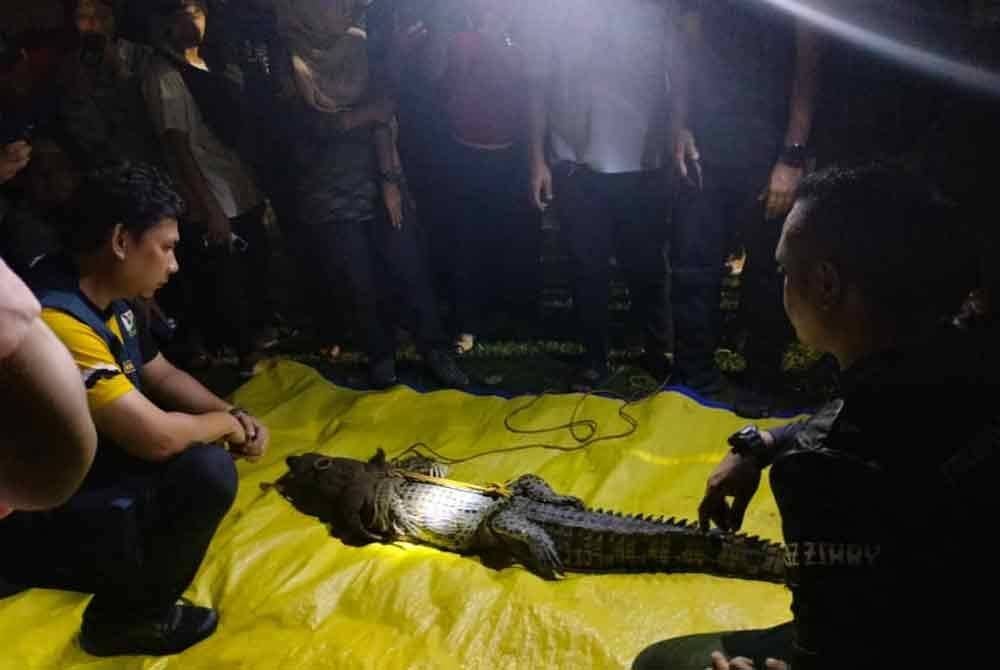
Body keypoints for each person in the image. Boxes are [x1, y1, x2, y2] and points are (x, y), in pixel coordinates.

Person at [632, 164, 989, 670]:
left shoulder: (828, 472)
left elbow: (832, 654)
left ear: (825, 284)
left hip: (919, 642)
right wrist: (764, 445)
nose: (781, 284)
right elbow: (856, 409)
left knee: (660, 663)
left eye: (783, 271)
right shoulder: (968, 358)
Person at [0, 161, 270, 657]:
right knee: (205, 470)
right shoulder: (59, 318)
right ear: (121, 241)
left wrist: (232, 413)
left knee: (199, 443)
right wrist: (224, 427)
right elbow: (156, 437)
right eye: (165, 248)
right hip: (32, 510)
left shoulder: (111, 296)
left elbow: (160, 372)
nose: (174, 265)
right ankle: (126, 621)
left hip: (78, 473)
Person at [279, 0, 469, 389]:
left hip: (377, 177)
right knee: (357, 279)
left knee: (409, 267)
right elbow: (306, 130)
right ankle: (380, 356)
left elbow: (384, 111)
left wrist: (388, 180)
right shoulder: (287, 58)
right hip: (324, 187)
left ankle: (434, 351)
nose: (342, 9)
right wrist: (355, 119)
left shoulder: (358, 45)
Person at [667, 1, 823, 405]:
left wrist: (791, 156)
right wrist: (680, 126)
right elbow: (686, 58)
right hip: (706, 150)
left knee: (769, 271)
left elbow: (807, 71)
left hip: (766, 153)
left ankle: (762, 375)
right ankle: (695, 377)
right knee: (693, 266)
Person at [524, 0, 685, 389]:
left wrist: (676, 136)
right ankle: (595, 359)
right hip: (576, 165)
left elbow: (679, 84)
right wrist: (537, 162)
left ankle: (658, 349)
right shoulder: (558, 14)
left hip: (643, 164)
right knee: (587, 267)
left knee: (646, 264)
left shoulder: (657, 13)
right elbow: (538, 91)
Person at [143, 0, 276, 376]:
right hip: (212, 192)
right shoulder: (163, 73)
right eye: (184, 13)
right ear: (167, 21)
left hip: (238, 183)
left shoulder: (214, 64)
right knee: (226, 280)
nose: (193, 22)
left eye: (198, 12)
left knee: (253, 269)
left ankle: (257, 345)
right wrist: (210, 208)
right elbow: (176, 145)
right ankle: (241, 356)